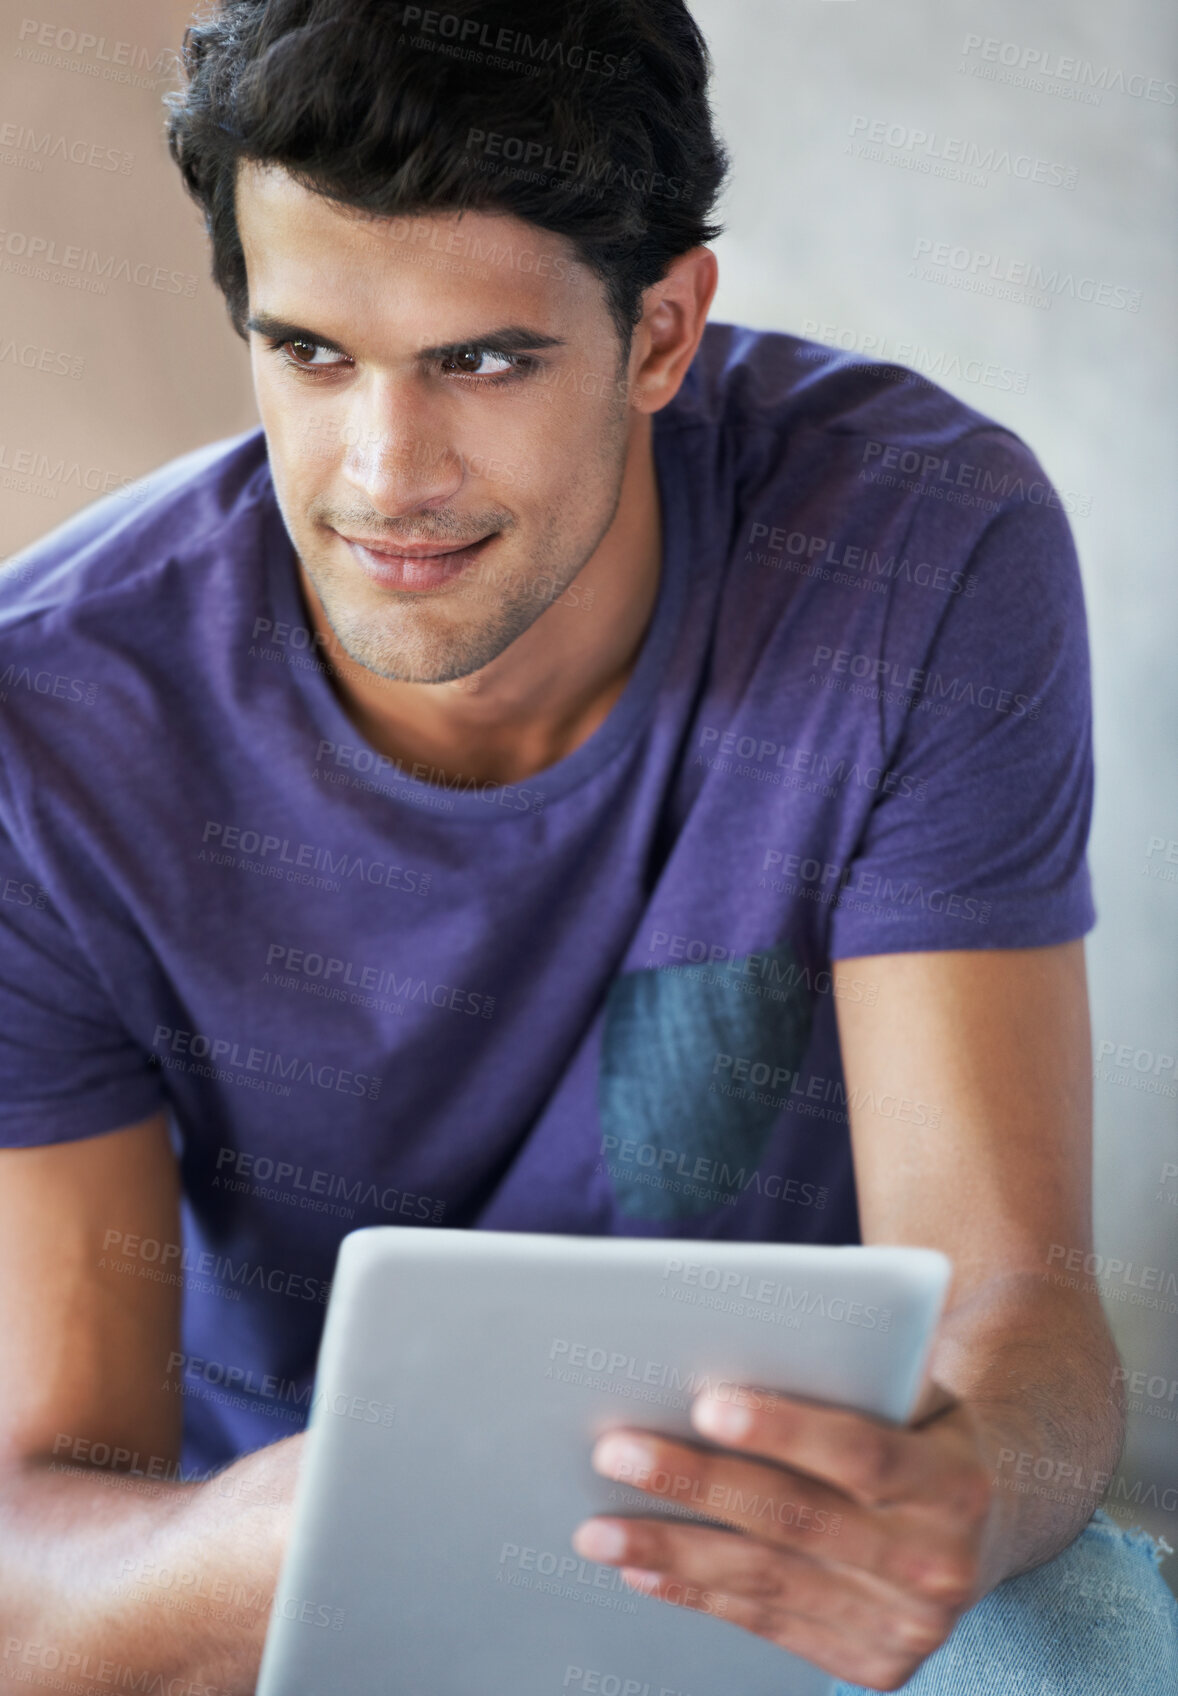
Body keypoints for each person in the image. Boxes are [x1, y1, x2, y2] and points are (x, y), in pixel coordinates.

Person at [0, 2, 1174, 1692]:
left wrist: (962, 1497)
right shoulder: (54, 722)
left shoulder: (915, 546)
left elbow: (1025, 1329)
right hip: (267, 1571)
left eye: (482, 360)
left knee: (1083, 1638)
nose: (384, 476)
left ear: (662, 331)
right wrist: (320, 1521)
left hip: (772, 1540)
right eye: (312, 354)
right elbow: (42, 1578)